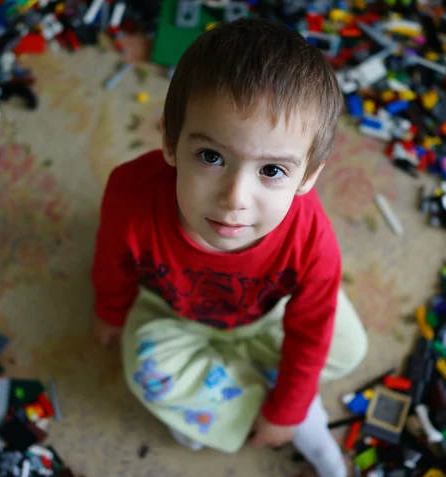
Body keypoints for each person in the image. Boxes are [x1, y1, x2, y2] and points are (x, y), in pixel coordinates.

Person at [91, 18, 367, 477]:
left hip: (270, 316)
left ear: (308, 178)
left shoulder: (311, 236)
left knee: (348, 345)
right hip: (173, 313)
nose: (235, 198)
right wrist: (109, 309)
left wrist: (287, 410)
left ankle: (275, 403)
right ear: (170, 142)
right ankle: (285, 406)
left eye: (272, 171)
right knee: (148, 372)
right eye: (212, 157)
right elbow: (111, 261)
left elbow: (313, 324)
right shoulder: (130, 195)